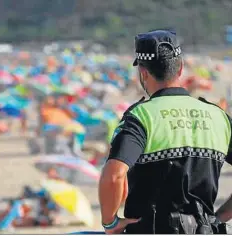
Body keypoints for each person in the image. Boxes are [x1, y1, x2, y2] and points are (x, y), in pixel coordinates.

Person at [98, 30, 232, 234]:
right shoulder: (218, 116)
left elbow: (114, 176)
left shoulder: (141, 116)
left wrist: (111, 223)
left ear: (143, 73)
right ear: (180, 69)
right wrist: (219, 217)